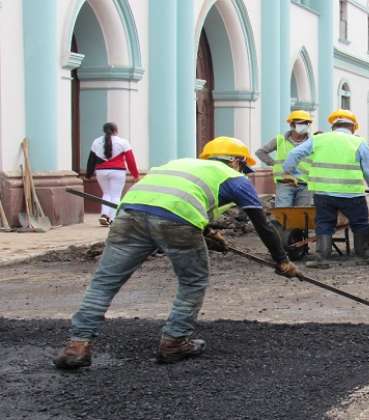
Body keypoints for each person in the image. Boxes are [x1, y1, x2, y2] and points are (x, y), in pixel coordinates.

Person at [53, 137, 300, 369]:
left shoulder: (179, 164)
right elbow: (263, 225)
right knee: (193, 281)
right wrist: (282, 261)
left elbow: (172, 199)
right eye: (243, 167)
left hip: (129, 214)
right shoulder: (235, 178)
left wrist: (207, 232)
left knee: (104, 282)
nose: (243, 173)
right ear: (236, 161)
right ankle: (174, 342)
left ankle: (77, 346)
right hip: (177, 219)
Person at [283, 109, 369, 269]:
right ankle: (363, 255)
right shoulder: (359, 142)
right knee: (360, 223)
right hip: (351, 193)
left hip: (323, 193)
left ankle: (320, 259)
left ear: (333, 126)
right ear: (353, 127)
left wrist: (289, 172)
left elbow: (293, 155)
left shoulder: (318, 139)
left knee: (324, 223)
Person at [256, 110, 313, 207]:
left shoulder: (313, 142)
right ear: (292, 124)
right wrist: (274, 163)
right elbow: (260, 152)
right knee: (283, 211)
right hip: (285, 182)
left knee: (302, 215)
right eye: (300, 123)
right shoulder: (280, 140)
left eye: (305, 123)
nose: (303, 125)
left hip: (305, 183)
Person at [86, 122, 139, 226]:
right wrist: (135, 174)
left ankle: (104, 215)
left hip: (101, 171)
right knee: (115, 195)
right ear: (116, 130)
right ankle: (112, 218)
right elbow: (130, 160)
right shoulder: (123, 142)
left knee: (106, 193)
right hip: (117, 171)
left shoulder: (96, 142)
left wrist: (88, 174)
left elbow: (91, 159)